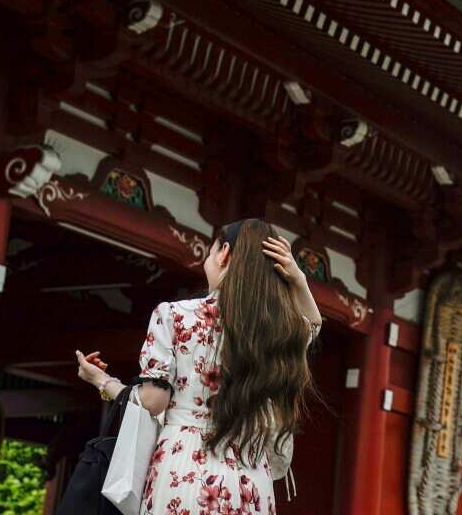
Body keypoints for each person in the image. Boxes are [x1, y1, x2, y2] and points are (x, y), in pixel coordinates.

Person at [75, 218, 323, 514]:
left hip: (183, 469)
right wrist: (299, 280)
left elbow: (153, 401)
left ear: (224, 252)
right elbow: (314, 325)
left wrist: (104, 382)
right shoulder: (276, 332)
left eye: (211, 249)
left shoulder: (174, 315)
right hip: (251, 478)